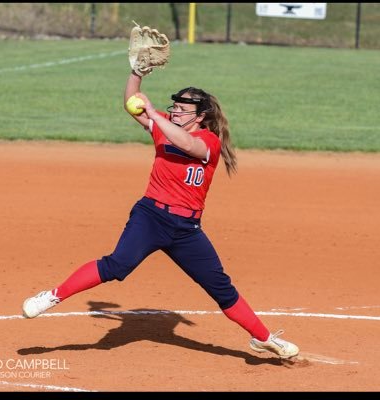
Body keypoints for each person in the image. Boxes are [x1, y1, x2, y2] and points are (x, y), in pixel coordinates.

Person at [22, 69, 299, 359]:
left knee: (221, 288)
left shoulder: (209, 141)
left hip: (187, 230)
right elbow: (131, 100)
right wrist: (136, 74)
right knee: (118, 264)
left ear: (200, 116)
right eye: (174, 107)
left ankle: (264, 338)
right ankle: (52, 296)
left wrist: (154, 114)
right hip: (151, 217)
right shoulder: (162, 123)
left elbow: (187, 144)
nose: (175, 112)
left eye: (182, 109)